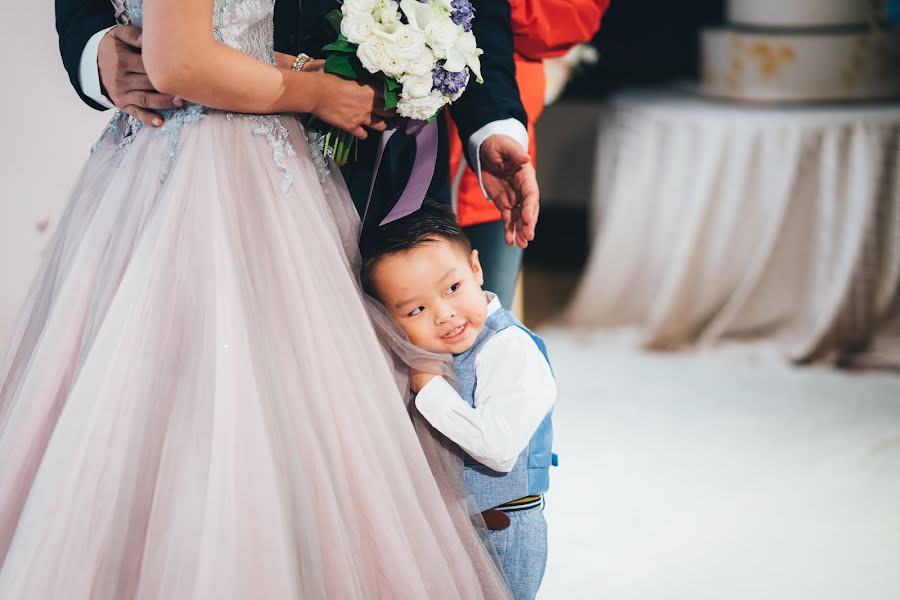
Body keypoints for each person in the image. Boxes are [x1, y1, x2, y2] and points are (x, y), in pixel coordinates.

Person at [0, 1, 516, 597]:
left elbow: (215, 41)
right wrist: (315, 92)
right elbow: (182, 61)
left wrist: (310, 76)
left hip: (269, 147)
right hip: (226, 164)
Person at [59, 0, 540, 244]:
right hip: (202, 160)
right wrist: (95, 50)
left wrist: (493, 123)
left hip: (382, 147)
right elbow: (180, 57)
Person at [360, 200, 558, 600]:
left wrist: (430, 390)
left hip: (504, 528)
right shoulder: (444, 352)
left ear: (476, 269)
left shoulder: (509, 349)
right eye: (416, 309)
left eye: (453, 288)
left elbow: (498, 448)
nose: (445, 314)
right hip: (462, 524)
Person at [446, 0, 609, 307]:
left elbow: (574, 17)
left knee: (488, 318)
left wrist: (473, 7)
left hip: (494, 144)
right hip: (399, 143)